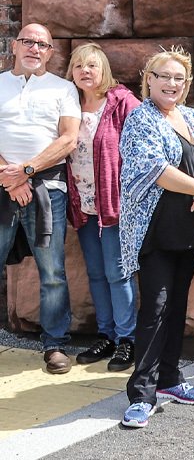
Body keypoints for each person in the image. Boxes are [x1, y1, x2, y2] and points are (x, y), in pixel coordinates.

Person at [118, 48, 194, 429]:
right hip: (155, 232)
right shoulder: (140, 119)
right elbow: (156, 170)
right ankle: (141, 393)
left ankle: (169, 378)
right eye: (164, 76)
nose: (171, 84)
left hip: (191, 231)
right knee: (156, 308)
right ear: (148, 79)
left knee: (178, 304)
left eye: (179, 78)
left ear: (187, 84)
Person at [0, 23, 81, 374]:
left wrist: (27, 172)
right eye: (28, 42)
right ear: (15, 46)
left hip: (47, 187)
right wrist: (9, 177)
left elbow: (68, 139)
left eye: (43, 45)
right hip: (2, 185)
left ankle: (55, 344)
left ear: (50, 53)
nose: (35, 49)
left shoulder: (63, 89)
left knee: (51, 271)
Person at [66, 43, 140, 371]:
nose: (85, 71)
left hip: (114, 205)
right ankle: (106, 334)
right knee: (96, 273)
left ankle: (128, 339)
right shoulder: (68, 102)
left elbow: (142, 142)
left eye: (92, 65)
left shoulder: (121, 101)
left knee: (117, 272)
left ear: (104, 69)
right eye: (79, 65)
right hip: (82, 203)